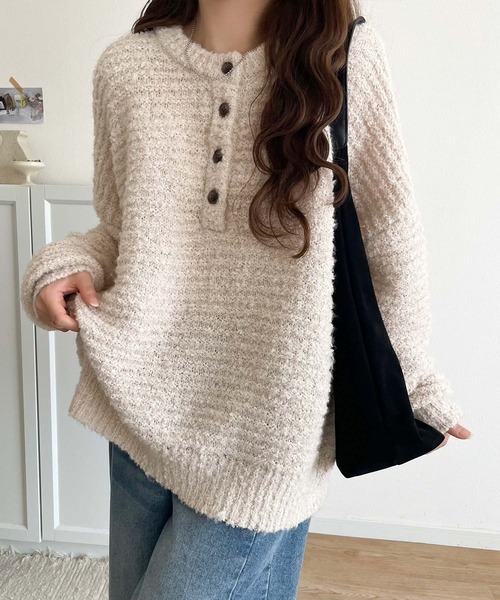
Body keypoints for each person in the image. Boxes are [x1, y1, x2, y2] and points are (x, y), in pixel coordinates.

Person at [20, 1, 472, 598]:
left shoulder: (343, 57)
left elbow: (388, 236)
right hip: (138, 399)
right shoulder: (125, 68)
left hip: (268, 429)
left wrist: (410, 381)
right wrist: (61, 265)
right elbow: (121, 229)